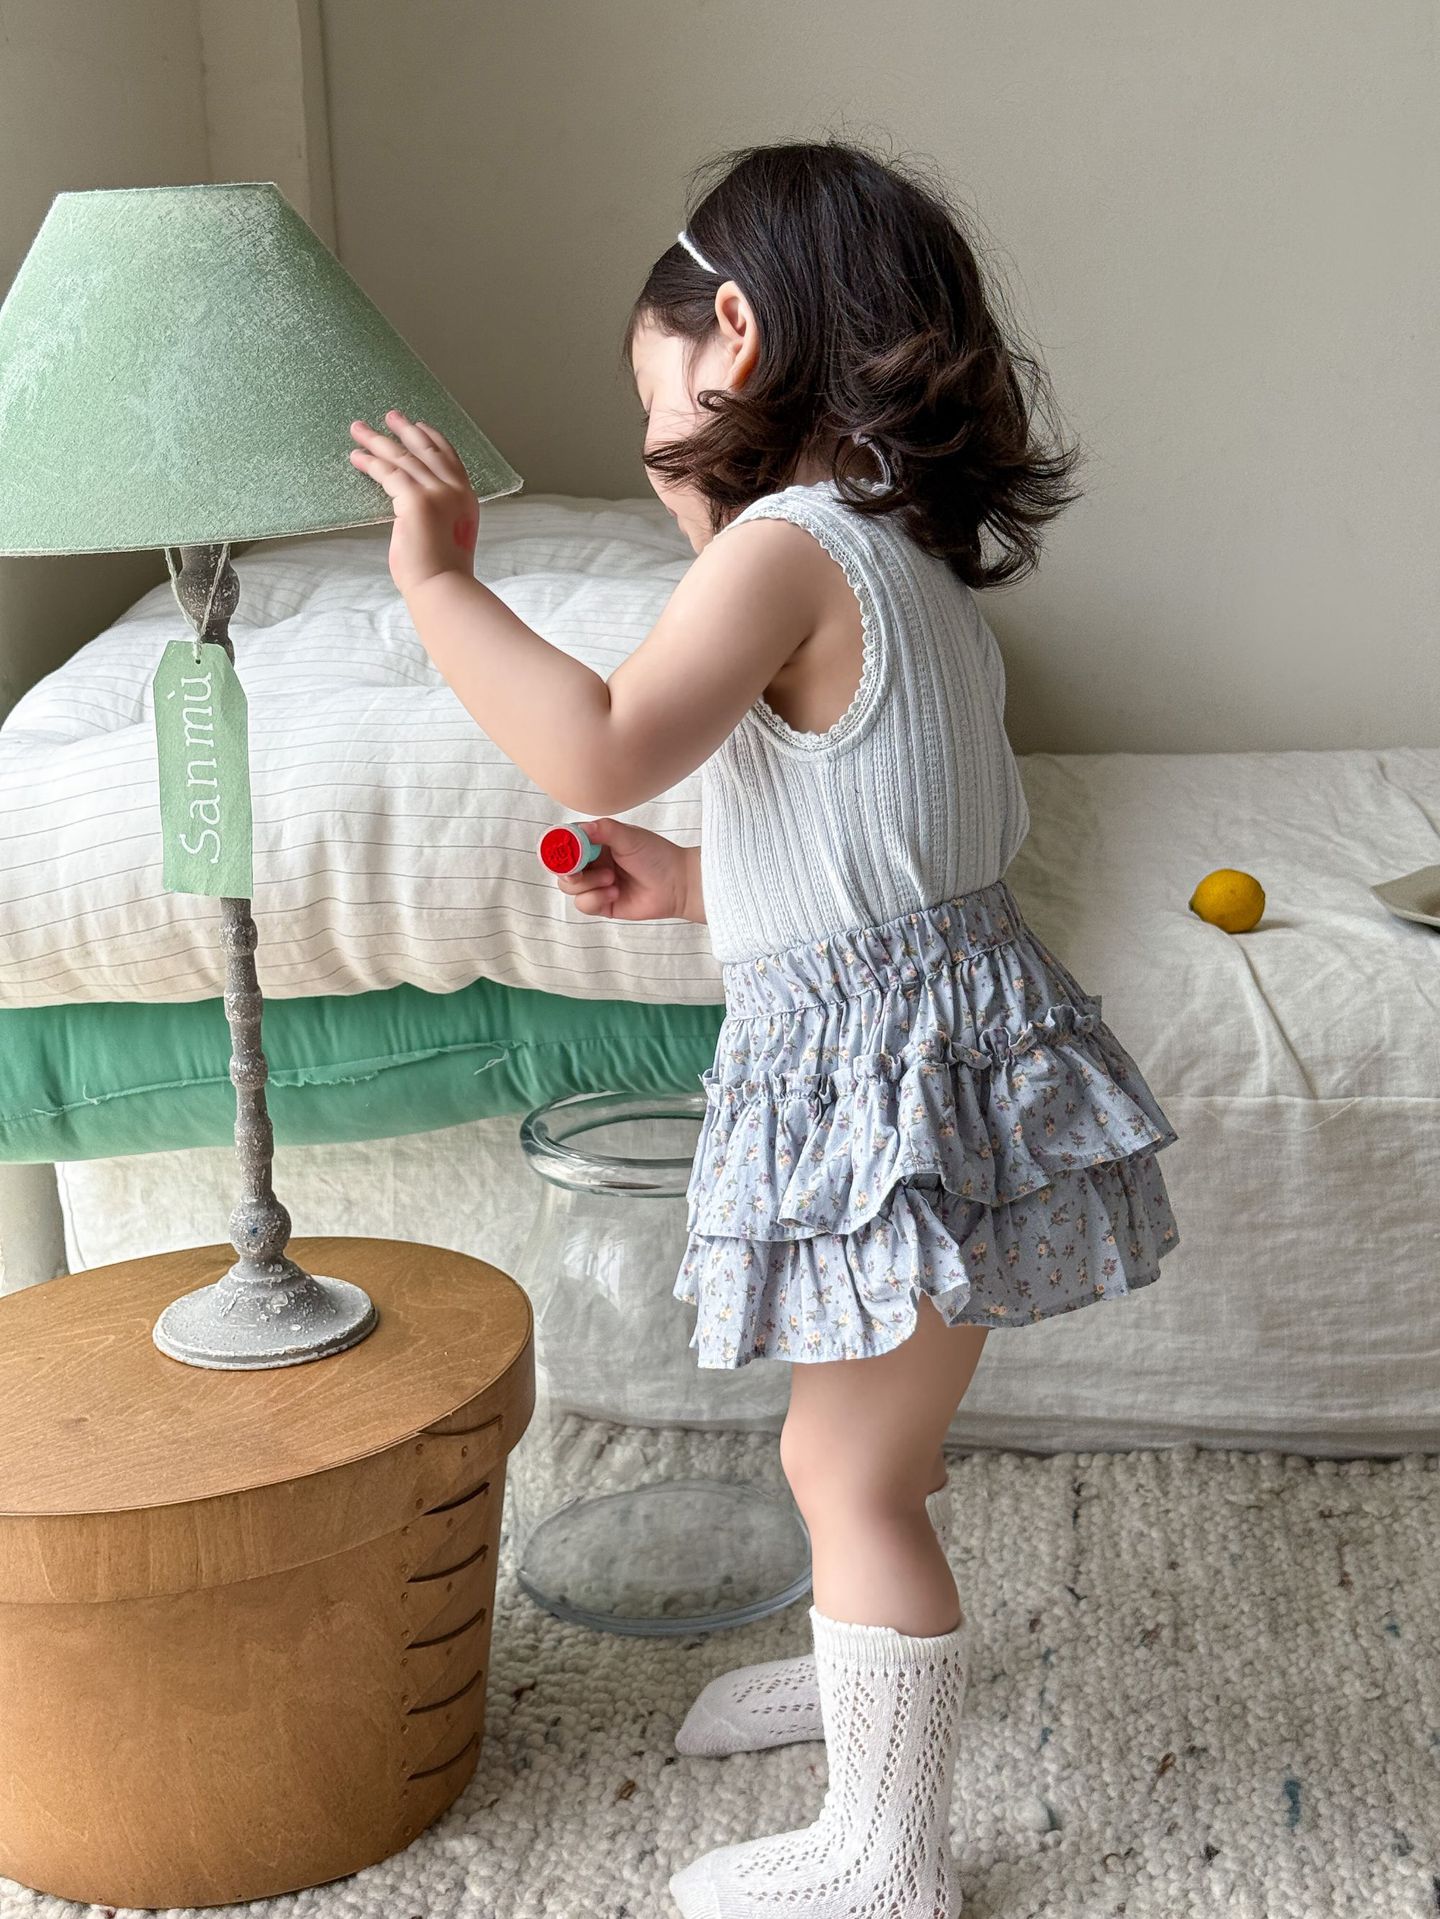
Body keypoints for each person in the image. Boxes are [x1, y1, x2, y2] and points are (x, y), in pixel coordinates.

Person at [348, 136, 1182, 1919]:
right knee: (865, 1445)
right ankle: (860, 1684)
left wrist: (438, 585)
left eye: (656, 420)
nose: (662, 463)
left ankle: (889, 1856)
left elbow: (596, 742)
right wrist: (692, 884)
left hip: (892, 1090)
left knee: (843, 1466)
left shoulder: (789, 550)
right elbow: (883, 861)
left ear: (732, 329)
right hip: (949, 1061)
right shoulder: (906, 561)